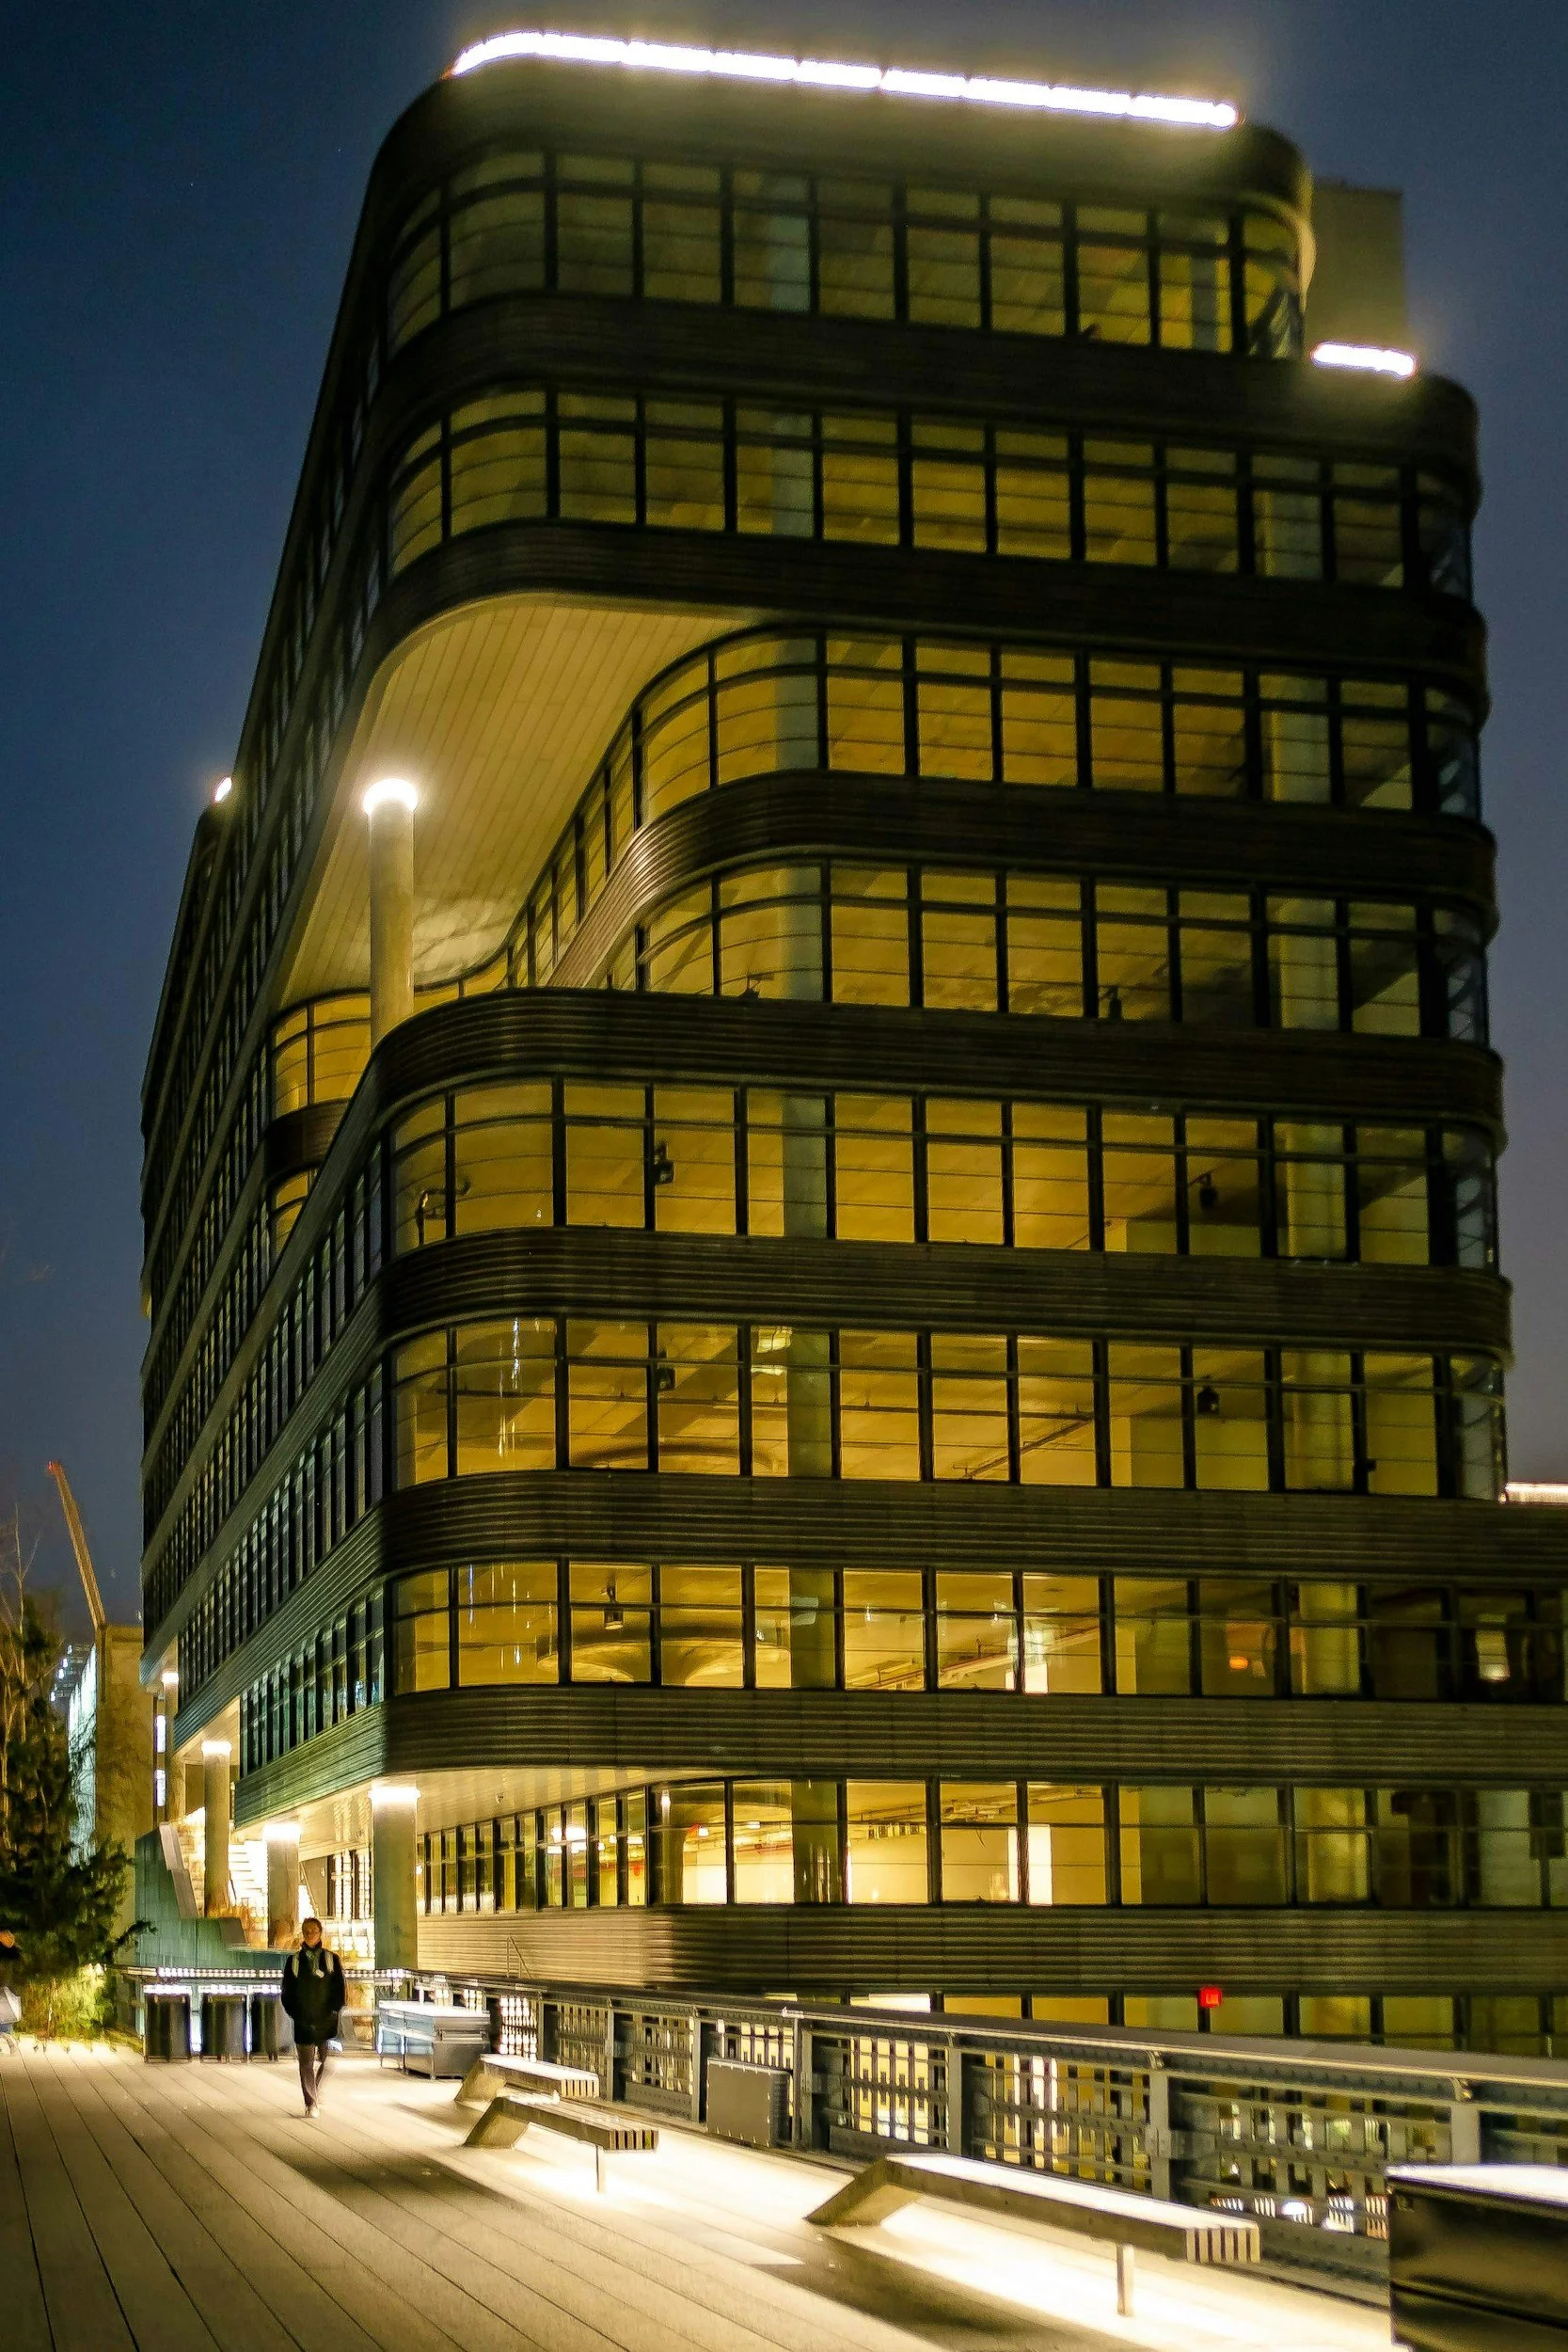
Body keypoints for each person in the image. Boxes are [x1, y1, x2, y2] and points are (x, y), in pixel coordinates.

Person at [278, 1916, 345, 2117]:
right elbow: (287, 1991)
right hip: (303, 2020)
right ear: (303, 1934)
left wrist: (334, 2010)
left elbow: (339, 1988)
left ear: (320, 1933)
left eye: (313, 1931)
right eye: (306, 1931)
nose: (310, 1935)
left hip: (327, 2019)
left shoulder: (331, 1960)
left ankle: (314, 2089)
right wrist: (295, 2013)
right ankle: (311, 2103)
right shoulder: (294, 1961)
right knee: (306, 2064)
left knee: (329, 2060)